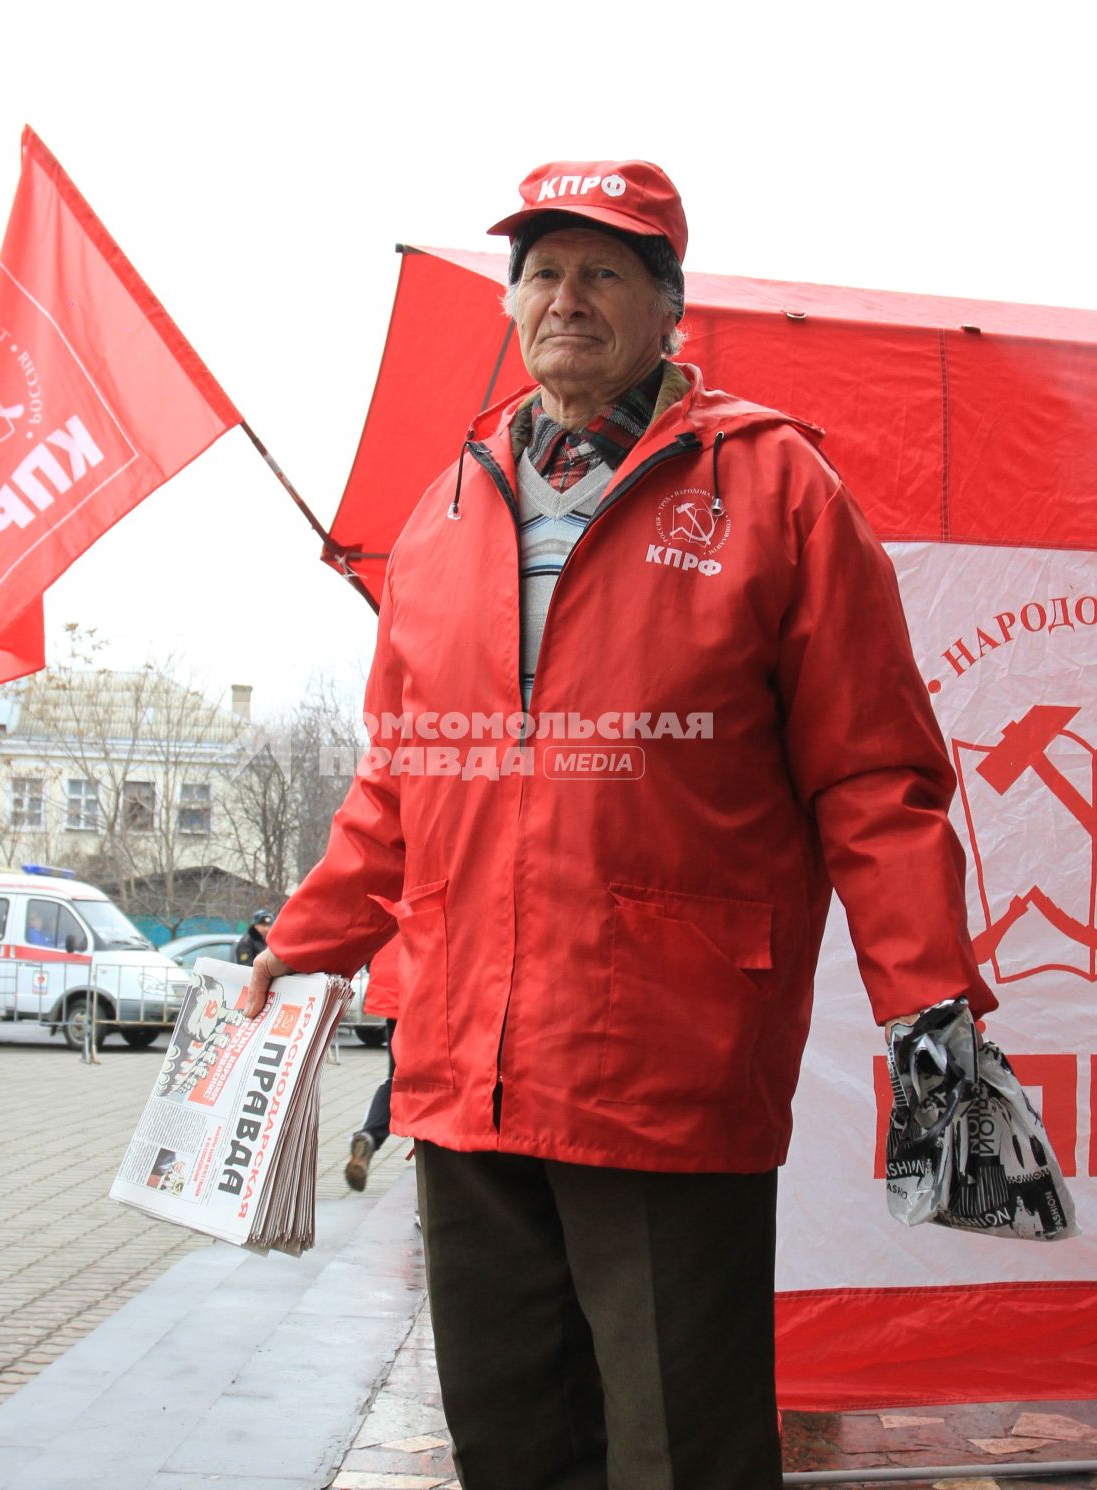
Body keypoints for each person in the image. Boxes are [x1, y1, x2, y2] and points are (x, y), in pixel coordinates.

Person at [245, 158, 996, 1490]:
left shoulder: (775, 491)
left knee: (680, 1450)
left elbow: (876, 778)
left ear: (669, 310)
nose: (564, 297)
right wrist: (307, 944)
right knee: (513, 1442)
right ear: (510, 307)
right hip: (465, 1071)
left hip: (665, 1062)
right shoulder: (448, 510)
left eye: (603, 271)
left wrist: (926, 996)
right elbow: (400, 781)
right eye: (540, 271)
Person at [344, 934, 401, 1191]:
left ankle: (370, 1134)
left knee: (398, 1078)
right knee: (440, 1086)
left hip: (395, 985)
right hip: (435, 981)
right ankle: (433, 1194)